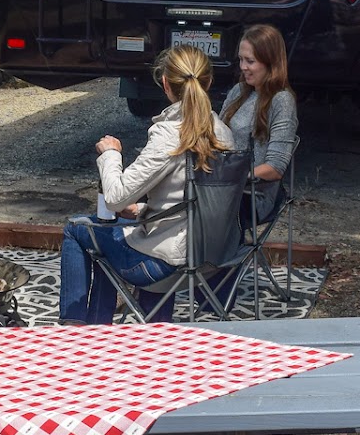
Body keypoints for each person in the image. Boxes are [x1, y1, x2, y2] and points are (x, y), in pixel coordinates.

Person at [58, 44, 234, 324]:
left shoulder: (169, 135)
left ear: (165, 83)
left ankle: (74, 329)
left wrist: (111, 154)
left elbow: (115, 198)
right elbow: (195, 202)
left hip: (160, 267)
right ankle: (123, 328)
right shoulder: (223, 132)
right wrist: (143, 210)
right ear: (209, 82)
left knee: (78, 228)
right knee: (110, 235)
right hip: (208, 259)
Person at [220, 23, 299, 224]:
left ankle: (211, 254)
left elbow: (275, 167)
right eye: (241, 60)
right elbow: (216, 134)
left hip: (254, 195)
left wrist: (235, 177)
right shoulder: (239, 91)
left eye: (250, 61)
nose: (243, 67)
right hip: (222, 187)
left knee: (194, 205)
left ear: (270, 62)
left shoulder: (281, 100)